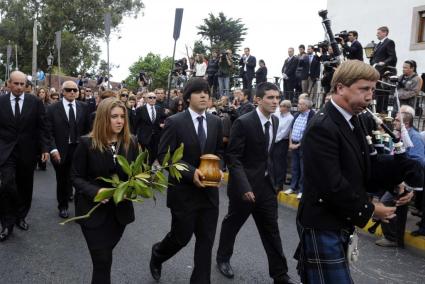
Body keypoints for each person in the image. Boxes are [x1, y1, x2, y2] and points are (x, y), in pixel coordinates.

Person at [295, 60, 397, 283]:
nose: (370, 96)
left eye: (372, 89)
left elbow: (365, 165)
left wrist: (396, 182)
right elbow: (331, 185)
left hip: (339, 220)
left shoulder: (355, 120)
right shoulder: (322, 126)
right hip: (322, 222)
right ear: (340, 88)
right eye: (364, 89)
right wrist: (371, 210)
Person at [216, 82, 295, 284]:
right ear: (258, 100)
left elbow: (266, 155)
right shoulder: (243, 122)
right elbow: (233, 157)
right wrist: (244, 187)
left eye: (277, 98)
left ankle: (280, 275)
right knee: (232, 224)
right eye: (270, 97)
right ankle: (223, 259)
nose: (275, 102)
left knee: (271, 230)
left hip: (266, 188)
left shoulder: (275, 121)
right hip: (244, 189)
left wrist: (275, 183)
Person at [149, 77, 223, 283]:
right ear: (187, 97)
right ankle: (158, 254)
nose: (203, 96)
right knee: (181, 237)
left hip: (209, 193)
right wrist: (192, 173)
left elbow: (218, 152)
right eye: (198, 92)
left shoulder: (215, 122)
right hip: (183, 192)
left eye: (206, 92)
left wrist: (219, 170)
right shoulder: (175, 122)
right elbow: (165, 155)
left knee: (206, 241)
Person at [71, 98, 139, 284]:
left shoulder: (131, 142)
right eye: (114, 117)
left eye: (122, 117)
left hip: (119, 214)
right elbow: (75, 177)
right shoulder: (87, 143)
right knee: (102, 261)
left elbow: (136, 173)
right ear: (102, 118)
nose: (119, 121)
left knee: (106, 256)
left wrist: (135, 185)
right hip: (92, 214)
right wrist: (95, 191)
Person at [0, 71, 50, 242]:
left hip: (28, 152)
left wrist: (44, 148)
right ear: (9, 84)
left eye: (23, 84)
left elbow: (42, 127)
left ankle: (21, 216)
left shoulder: (35, 102)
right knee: (7, 185)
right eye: (16, 83)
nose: (20, 87)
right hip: (6, 152)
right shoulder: (1, 102)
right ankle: (7, 223)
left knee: (25, 186)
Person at [47, 80, 90, 218]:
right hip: (60, 150)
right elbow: (49, 132)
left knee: (80, 180)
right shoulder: (53, 108)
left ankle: (80, 208)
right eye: (69, 90)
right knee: (62, 180)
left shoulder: (84, 106)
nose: (72, 92)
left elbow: (88, 130)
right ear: (62, 91)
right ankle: (63, 206)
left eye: (75, 90)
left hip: (79, 150)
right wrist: (53, 149)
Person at [284, 97, 315, 199]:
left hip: (304, 146)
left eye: (300, 104)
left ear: (306, 106)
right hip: (294, 144)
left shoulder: (312, 116)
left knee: (303, 168)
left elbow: (309, 133)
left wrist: (298, 144)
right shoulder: (296, 115)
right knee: (294, 167)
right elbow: (291, 129)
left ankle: (302, 190)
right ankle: (293, 187)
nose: (298, 105)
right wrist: (290, 143)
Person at [135, 92, 165, 165]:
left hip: (156, 137)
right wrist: (137, 136)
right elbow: (136, 123)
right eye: (150, 97)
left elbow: (162, 119)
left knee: (154, 155)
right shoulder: (140, 109)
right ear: (146, 99)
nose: (152, 99)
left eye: (154, 97)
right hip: (144, 137)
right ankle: (144, 171)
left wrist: (161, 124)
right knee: (144, 157)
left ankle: (150, 170)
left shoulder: (159, 108)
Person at [273, 100, 294, 191]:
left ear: (286, 108)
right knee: (273, 162)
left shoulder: (290, 118)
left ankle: (279, 184)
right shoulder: (278, 114)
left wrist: (274, 139)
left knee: (280, 164)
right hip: (274, 140)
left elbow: (284, 132)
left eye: (281, 106)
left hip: (281, 142)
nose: (279, 107)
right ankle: (273, 181)